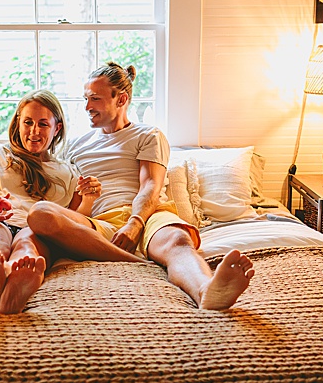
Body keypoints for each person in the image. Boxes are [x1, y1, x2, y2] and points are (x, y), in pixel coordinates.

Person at [21, 62, 255, 311]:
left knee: (177, 240)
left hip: (147, 217)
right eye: (86, 99)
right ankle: (137, 262)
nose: (87, 107)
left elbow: (151, 185)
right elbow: (67, 196)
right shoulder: (75, 146)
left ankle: (206, 290)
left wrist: (135, 224)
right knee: (40, 214)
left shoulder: (147, 135)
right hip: (99, 223)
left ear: (121, 99)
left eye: (95, 99)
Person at [0, 90, 108, 314]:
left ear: (57, 128)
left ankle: (7, 281)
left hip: (34, 229)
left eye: (43, 124)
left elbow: (74, 222)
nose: (34, 131)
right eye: (28, 122)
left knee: (27, 245)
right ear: (17, 123)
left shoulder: (68, 172)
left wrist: (89, 199)